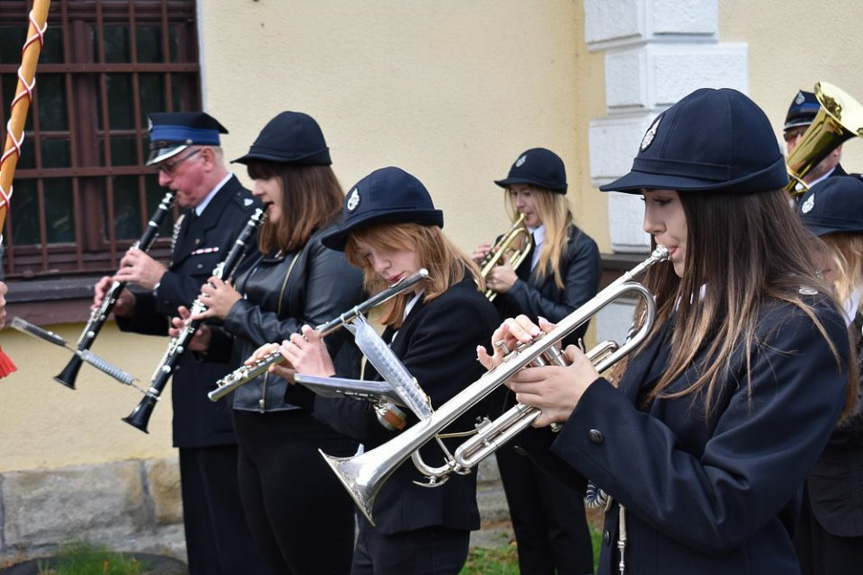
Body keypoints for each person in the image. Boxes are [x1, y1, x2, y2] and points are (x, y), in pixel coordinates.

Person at [478, 88, 857, 574]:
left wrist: (589, 402)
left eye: (663, 201)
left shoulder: (799, 328)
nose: (648, 223)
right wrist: (540, 394)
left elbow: (724, 508)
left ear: (726, 208)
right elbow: (615, 482)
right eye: (646, 201)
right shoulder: (680, 306)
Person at [259, 166, 500, 574]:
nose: (382, 265)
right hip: (387, 513)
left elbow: (382, 420)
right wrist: (296, 376)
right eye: (369, 256)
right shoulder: (410, 308)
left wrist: (322, 379)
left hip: (422, 517)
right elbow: (371, 404)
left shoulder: (456, 311)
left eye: (388, 248)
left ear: (422, 234)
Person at [175, 111, 365, 575]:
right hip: (254, 430)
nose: (255, 189)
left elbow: (315, 340)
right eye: (253, 177)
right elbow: (255, 348)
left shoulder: (334, 246)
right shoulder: (273, 244)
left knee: (314, 564)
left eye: (265, 177)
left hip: (302, 431)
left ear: (299, 181)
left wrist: (235, 310)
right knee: (273, 564)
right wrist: (209, 342)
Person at [92, 112, 264, 574]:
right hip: (193, 405)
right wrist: (130, 306)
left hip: (230, 400)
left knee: (238, 547)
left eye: (170, 168)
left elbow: (234, 309)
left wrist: (161, 278)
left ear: (205, 157)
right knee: (206, 549)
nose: (165, 182)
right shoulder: (189, 220)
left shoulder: (247, 215)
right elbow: (181, 315)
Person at [472, 147, 599, 574]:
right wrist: (479, 280)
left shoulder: (580, 249)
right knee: (526, 519)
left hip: (554, 396)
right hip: (511, 396)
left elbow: (572, 322)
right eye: (515, 195)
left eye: (526, 194)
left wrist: (514, 286)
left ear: (549, 196)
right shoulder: (519, 248)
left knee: (563, 519)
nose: (519, 204)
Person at [794, 176, 863, 575]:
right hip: (803, 496)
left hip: (850, 506)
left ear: (853, 246)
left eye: (821, 245)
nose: (812, 259)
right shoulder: (819, 306)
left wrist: (793, 416)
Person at [783, 89, 861, 189]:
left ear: (837, 147)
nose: (798, 142)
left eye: (809, 134)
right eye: (792, 135)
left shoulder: (854, 192)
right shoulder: (779, 193)